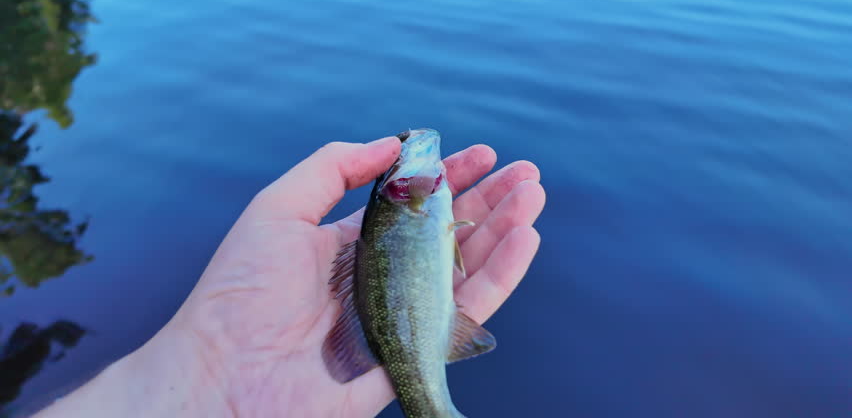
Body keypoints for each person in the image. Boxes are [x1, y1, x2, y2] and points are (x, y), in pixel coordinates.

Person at [33, 136, 546, 417]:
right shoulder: (416, 199)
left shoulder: (414, 200)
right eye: (407, 149)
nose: (413, 144)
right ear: (401, 190)